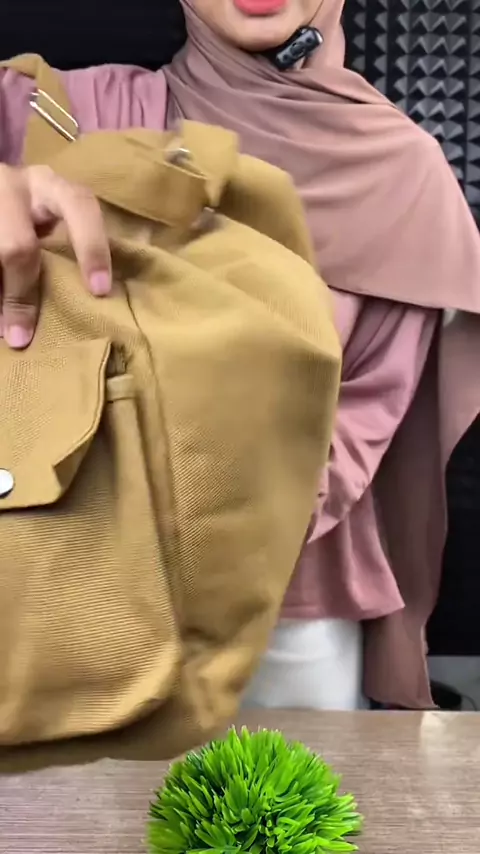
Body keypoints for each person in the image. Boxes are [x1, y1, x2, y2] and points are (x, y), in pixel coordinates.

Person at [1, 0, 480, 711]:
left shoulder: (403, 178)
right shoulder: (53, 115)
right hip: (54, 602)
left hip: (285, 630)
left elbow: (360, 424)